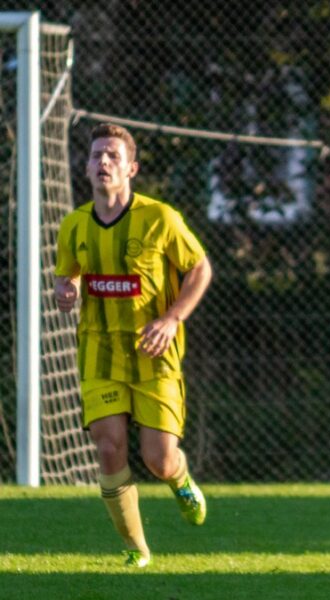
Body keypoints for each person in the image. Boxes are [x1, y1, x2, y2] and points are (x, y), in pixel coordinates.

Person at [54, 123, 212, 568]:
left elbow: (200, 268)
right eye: (96, 155)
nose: (103, 162)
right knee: (108, 448)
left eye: (113, 156)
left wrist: (172, 318)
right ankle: (135, 548)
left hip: (155, 355)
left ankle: (179, 478)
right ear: (87, 167)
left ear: (132, 169)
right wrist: (65, 289)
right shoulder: (74, 225)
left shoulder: (160, 218)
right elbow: (67, 275)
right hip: (100, 352)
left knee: (158, 459)